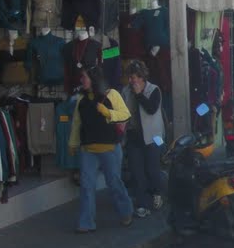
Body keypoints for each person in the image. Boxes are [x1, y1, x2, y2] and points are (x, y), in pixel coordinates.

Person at [69, 67, 134, 233]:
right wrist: (73, 143)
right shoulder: (81, 100)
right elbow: (77, 123)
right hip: (88, 149)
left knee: (114, 183)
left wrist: (108, 113)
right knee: (86, 186)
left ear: (93, 79)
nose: (82, 80)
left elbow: (126, 115)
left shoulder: (111, 94)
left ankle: (126, 212)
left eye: (84, 77)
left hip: (110, 148)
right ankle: (86, 223)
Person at [122, 60, 167, 218]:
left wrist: (139, 94)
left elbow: (151, 109)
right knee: (137, 172)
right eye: (130, 77)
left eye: (134, 77)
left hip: (152, 137)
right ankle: (142, 203)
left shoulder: (153, 90)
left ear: (142, 77)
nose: (131, 81)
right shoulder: (125, 91)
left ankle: (158, 193)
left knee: (152, 169)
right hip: (134, 136)